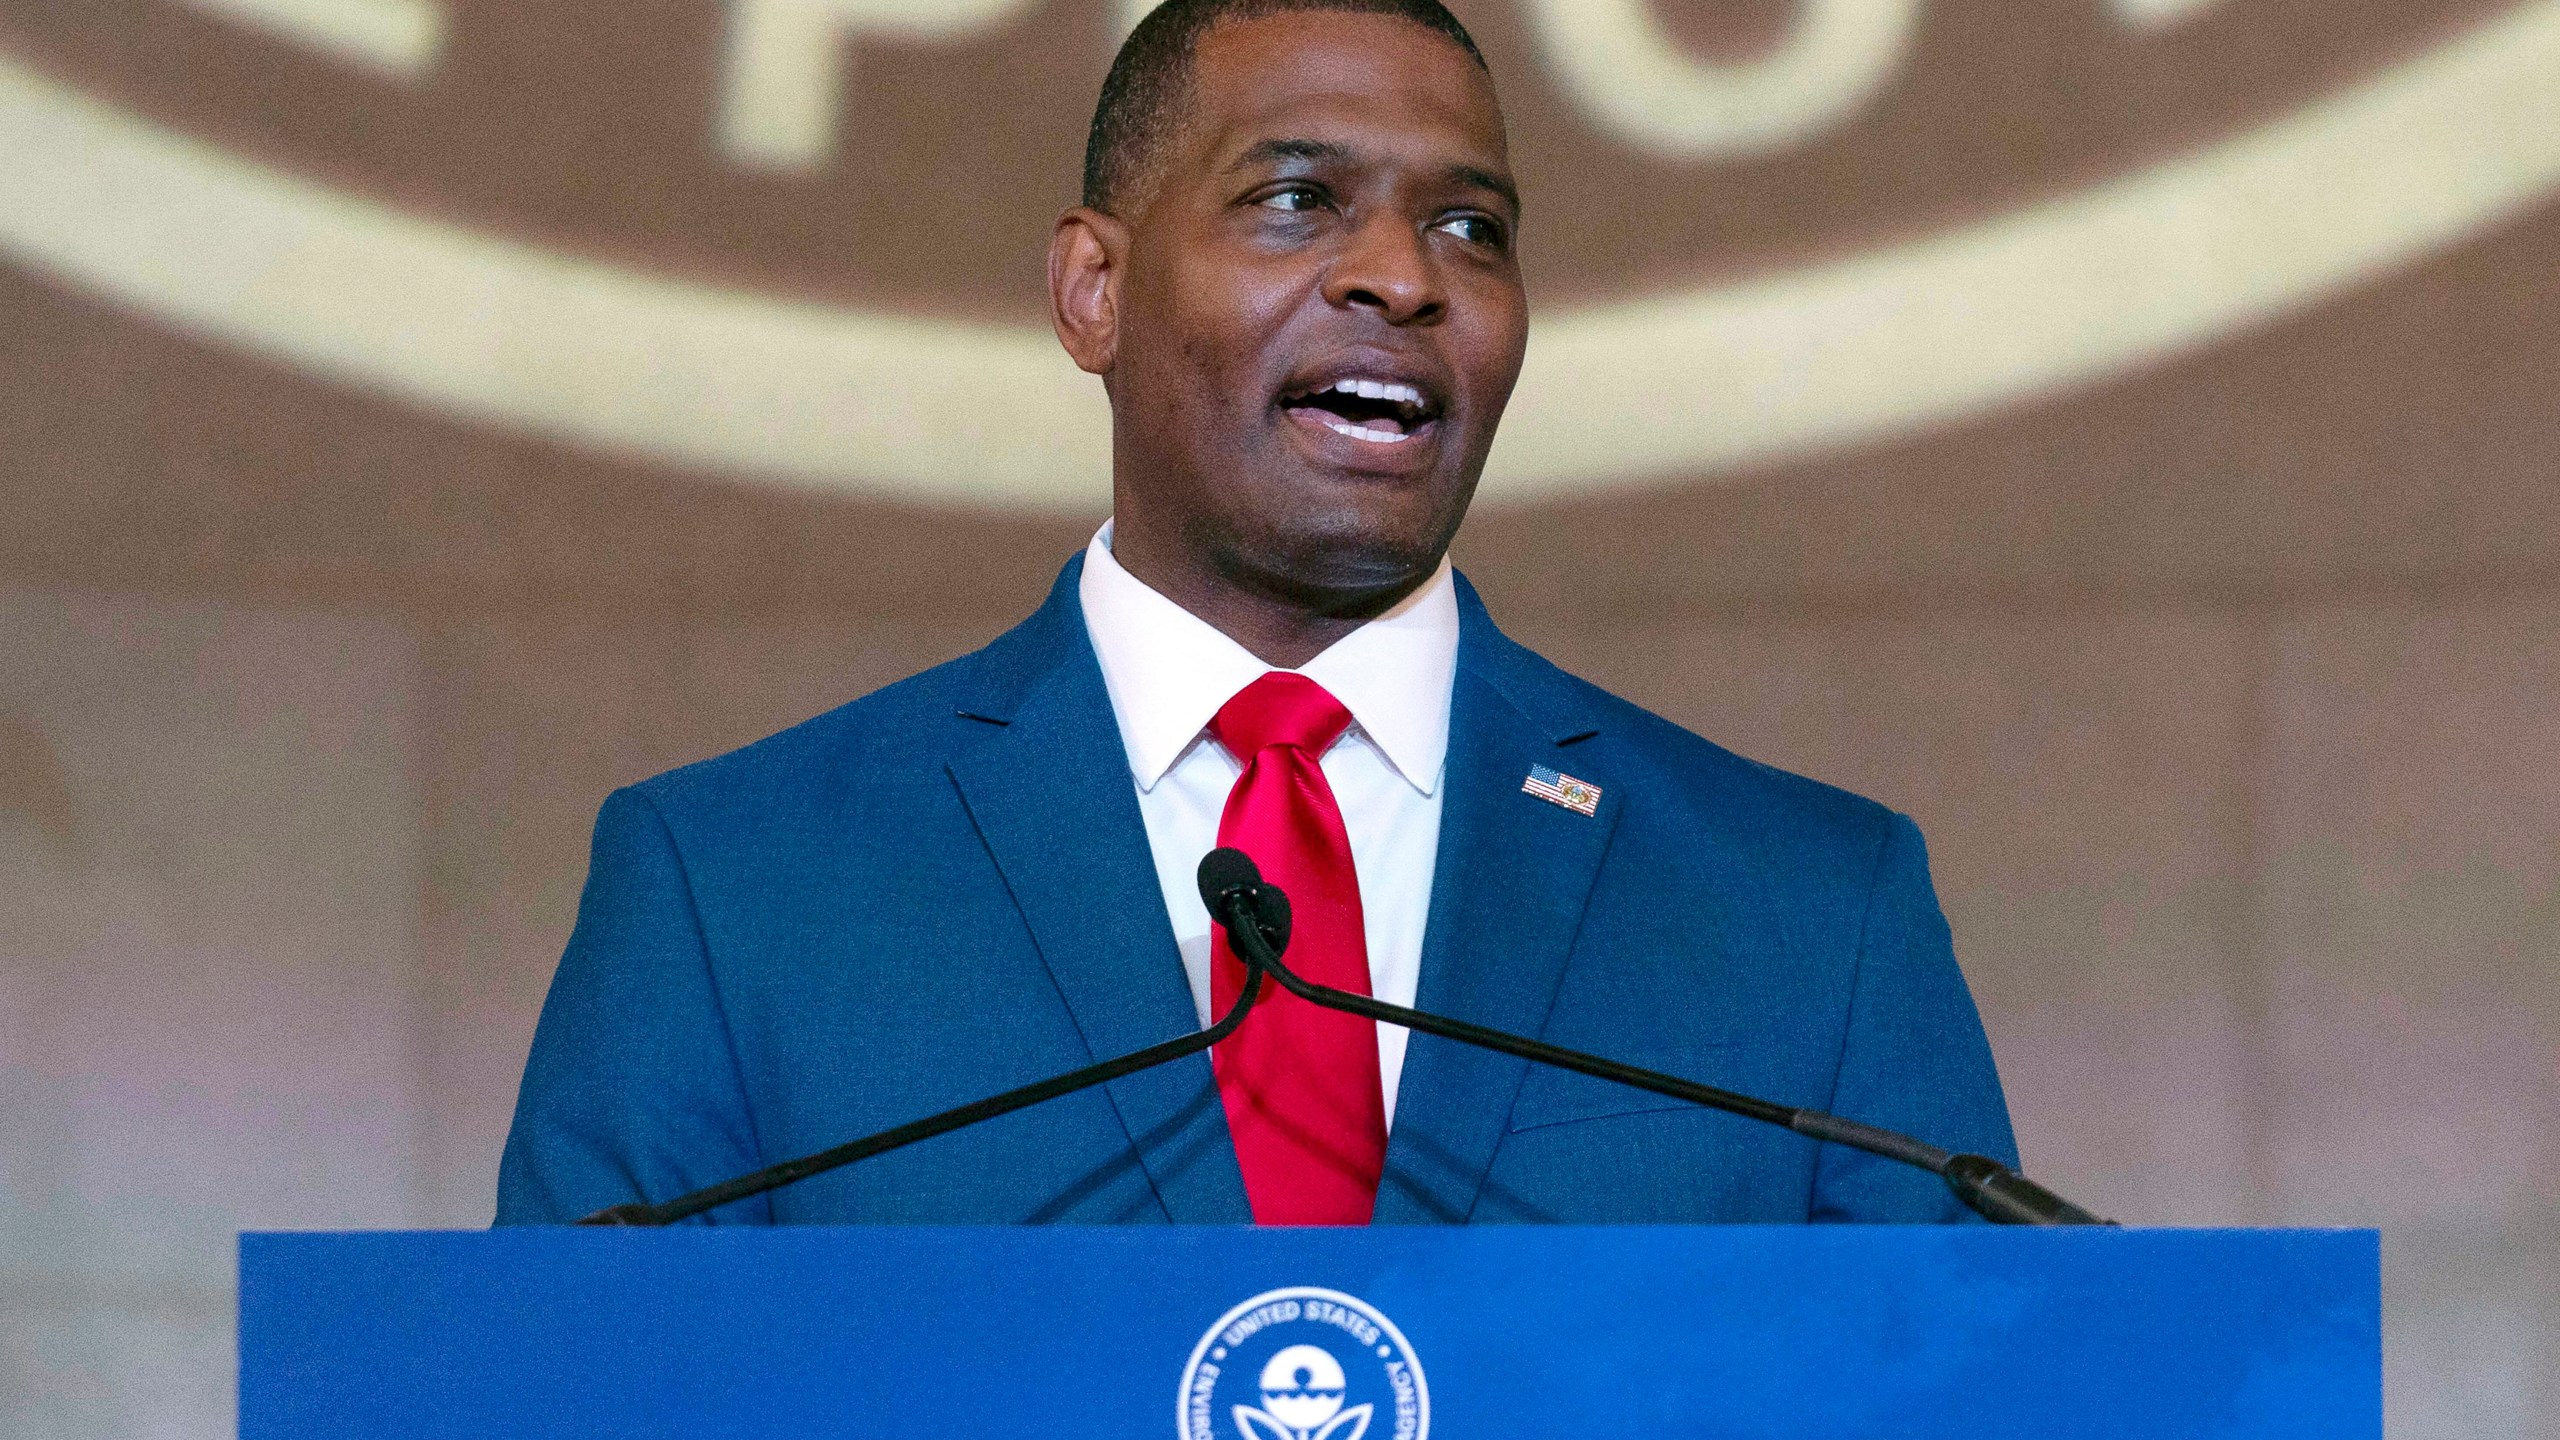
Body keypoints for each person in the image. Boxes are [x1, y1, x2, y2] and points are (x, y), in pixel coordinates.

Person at [495, 0, 2014, 1227]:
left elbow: (1980, 1395)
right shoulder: (733, 889)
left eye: (1471, 230)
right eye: (1299, 201)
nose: (1402, 278)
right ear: (1095, 288)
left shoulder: (1815, 913)